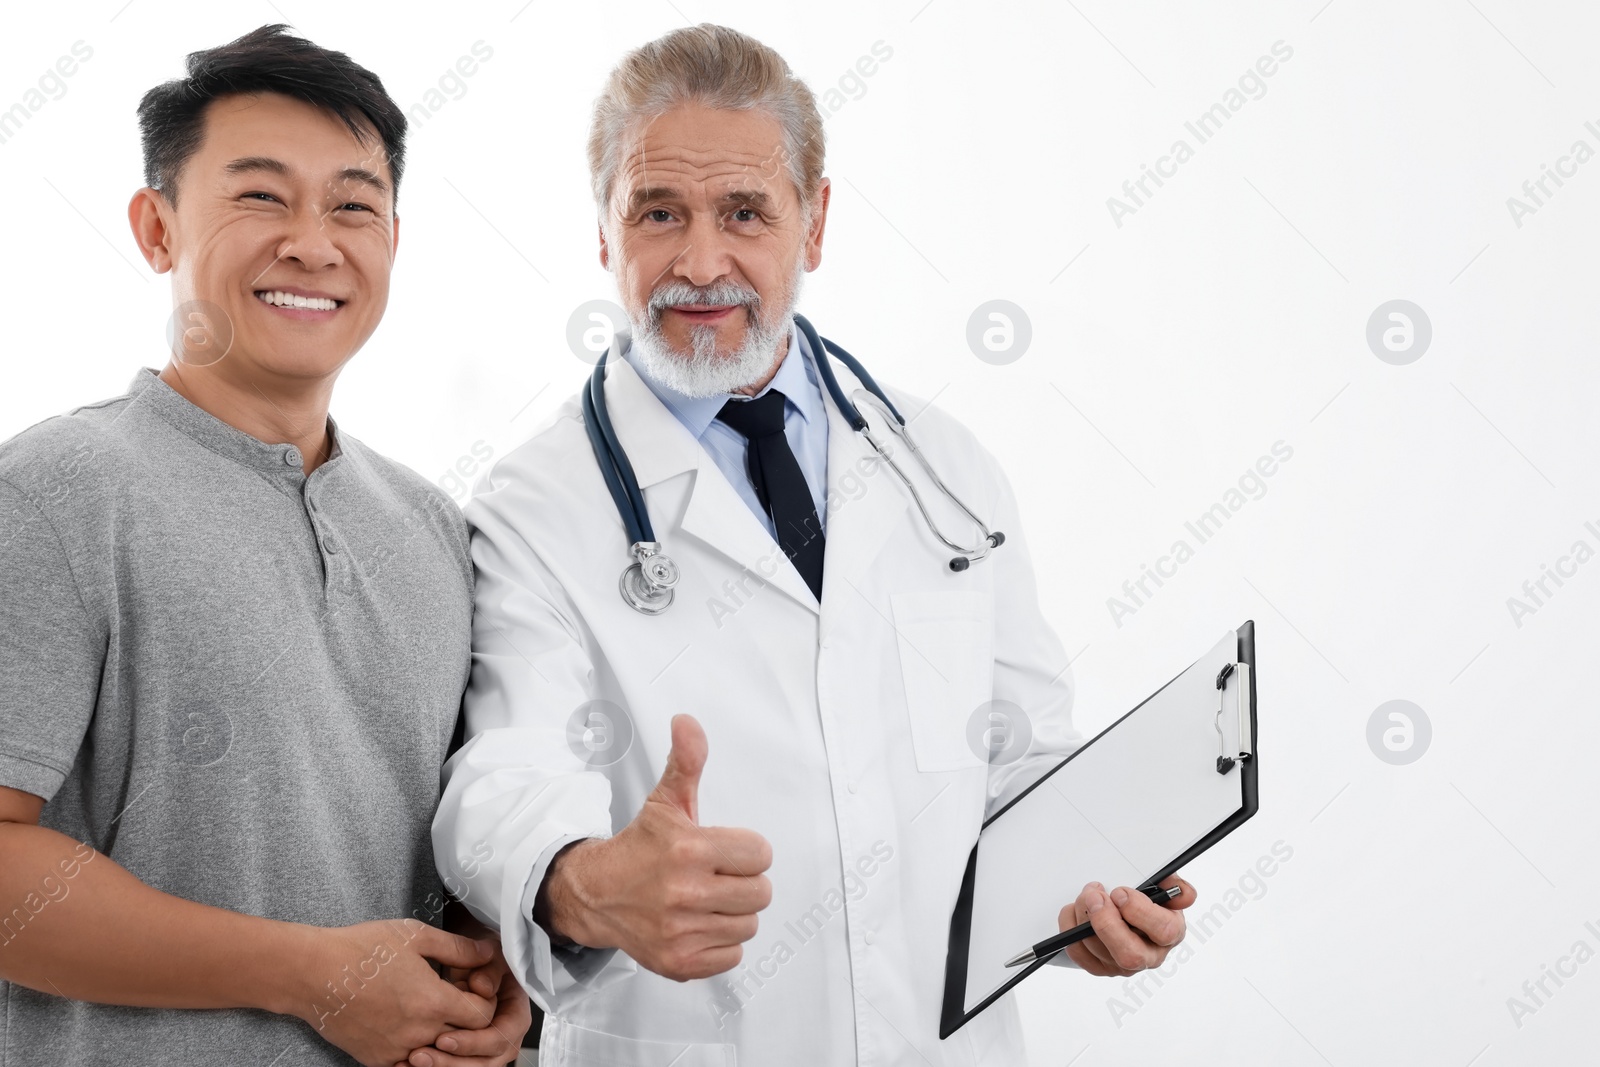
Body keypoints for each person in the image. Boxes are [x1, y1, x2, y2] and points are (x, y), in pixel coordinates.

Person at [434, 23, 1194, 1065]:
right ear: (605, 234)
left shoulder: (944, 467)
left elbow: (1016, 758)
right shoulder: (535, 505)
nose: (701, 263)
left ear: (815, 221)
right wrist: (583, 880)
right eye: (660, 213)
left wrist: (1096, 891)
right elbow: (508, 773)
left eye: (744, 211)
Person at [0, 25, 528, 1067]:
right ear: (156, 228)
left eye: (352, 204)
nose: (313, 242)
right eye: (259, 196)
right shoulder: (56, 490)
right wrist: (309, 974)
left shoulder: (431, 526)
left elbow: (442, 845)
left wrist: (497, 963)